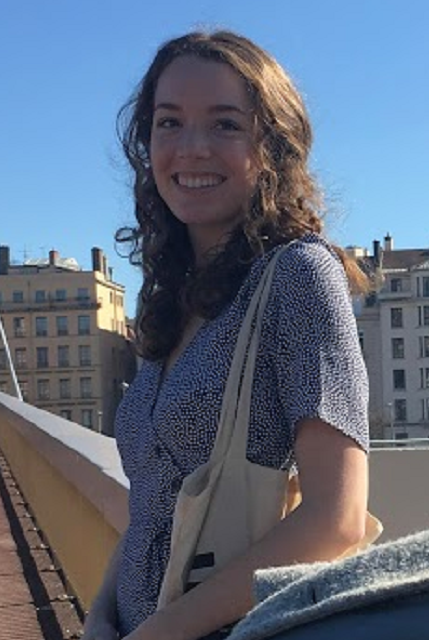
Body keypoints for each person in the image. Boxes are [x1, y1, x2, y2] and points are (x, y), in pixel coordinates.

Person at [83, 31, 371, 640]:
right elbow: (154, 509)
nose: (191, 149)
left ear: (273, 146)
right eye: (169, 123)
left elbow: (336, 519)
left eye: (225, 126)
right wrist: (102, 615)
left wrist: (158, 634)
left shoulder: (298, 274)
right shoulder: (174, 295)